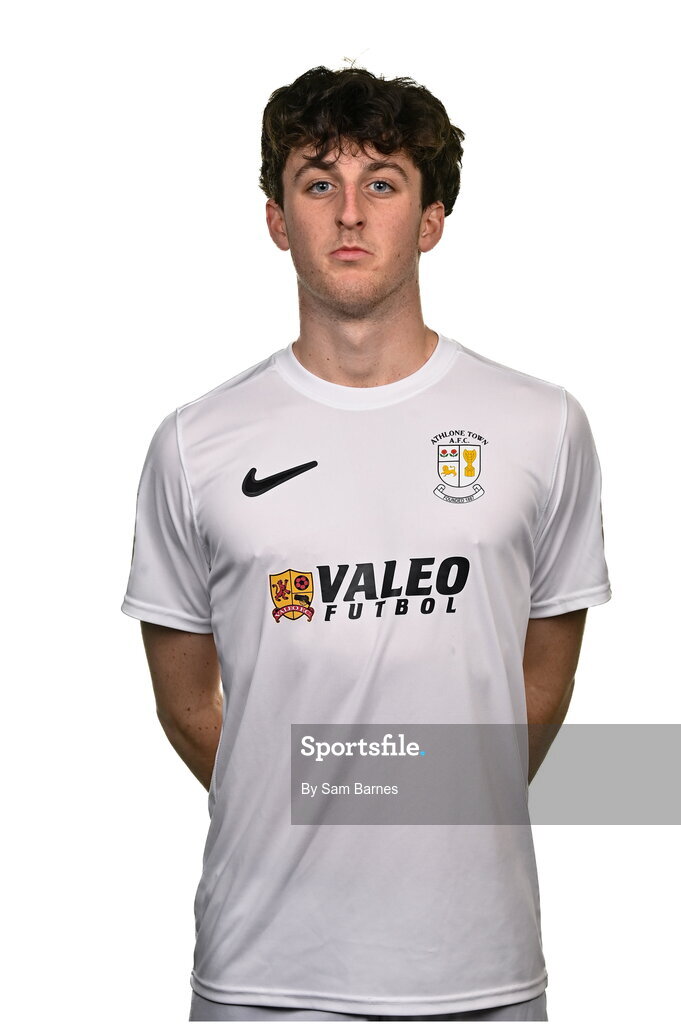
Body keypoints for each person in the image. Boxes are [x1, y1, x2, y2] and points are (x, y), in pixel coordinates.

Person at [121, 65, 611, 1023]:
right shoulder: (194, 443)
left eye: (381, 182)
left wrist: (418, 798)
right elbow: (186, 700)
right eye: (317, 182)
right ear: (276, 218)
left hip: (479, 971)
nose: (349, 213)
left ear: (429, 221)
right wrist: (302, 791)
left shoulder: (541, 426)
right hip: (263, 976)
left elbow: (541, 681)